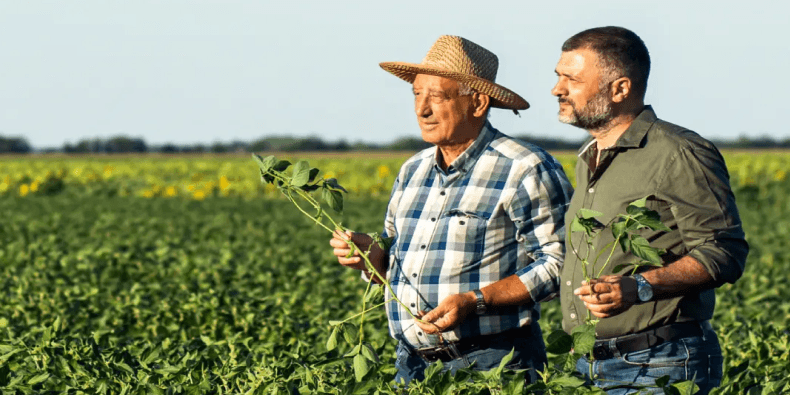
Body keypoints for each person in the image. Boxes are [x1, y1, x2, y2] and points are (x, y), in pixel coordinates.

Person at [329, 35, 573, 385]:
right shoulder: (412, 170)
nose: (421, 109)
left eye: (437, 96)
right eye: (416, 94)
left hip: (492, 364)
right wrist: (371, 253)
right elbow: (395, 260)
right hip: (412, 365)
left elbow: (561, 263)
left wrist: (475, 301)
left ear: (477, 104)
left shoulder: (525, 167)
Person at [551, 26, 749, 394]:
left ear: (620, 89)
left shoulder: (679, 152)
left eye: (572, 79)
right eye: (558, 77)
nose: (557, 89)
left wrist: (640, 286)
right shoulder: (588, 158)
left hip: (659, 363)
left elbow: (725, 250)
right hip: (587, 366)